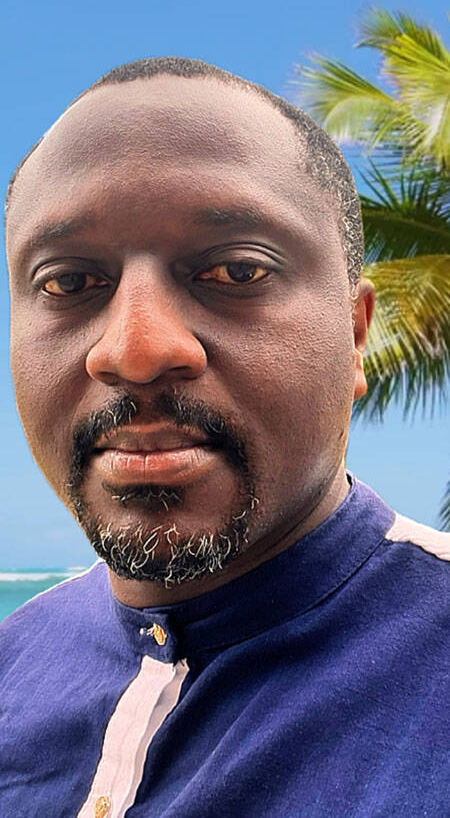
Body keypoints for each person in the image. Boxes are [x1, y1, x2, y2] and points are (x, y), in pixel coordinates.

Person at [1, 57, 449, 818]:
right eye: (68, 282)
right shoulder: (15, 658)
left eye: (238, 270)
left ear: (356, 334)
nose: (135, 350)